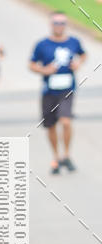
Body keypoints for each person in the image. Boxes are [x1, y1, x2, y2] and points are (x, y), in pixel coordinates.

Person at [29, 10, 86, 173]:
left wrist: (78, 63)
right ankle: (56, 157)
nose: (59, 26)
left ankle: (67, 154)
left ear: (66, 25)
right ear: (51, 24)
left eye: (62, 23)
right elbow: (31, 64)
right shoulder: (42, 44)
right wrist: (44, 70)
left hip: (67, 89)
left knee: (66, 121)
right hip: (49, 91)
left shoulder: (73, 42)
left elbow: (83, 55)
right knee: (51, 125)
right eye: (56, 23)